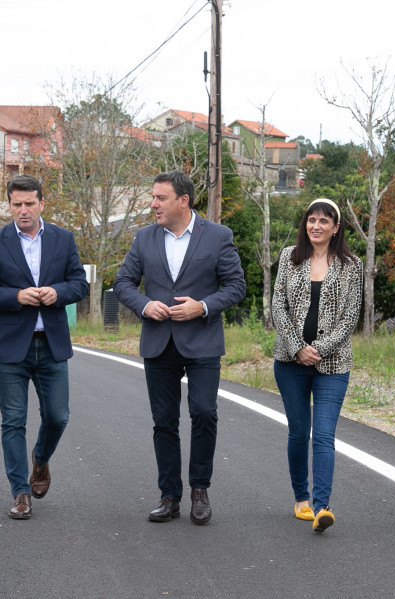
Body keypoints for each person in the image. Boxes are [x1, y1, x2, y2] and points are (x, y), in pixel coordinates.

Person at [114, 170, 246, 525]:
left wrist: (201, 306)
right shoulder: (144, 238)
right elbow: (123, 282)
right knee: (164, 422)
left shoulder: (218, 236)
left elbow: (236, 286)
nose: (153, 204)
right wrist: (144, 305)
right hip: (158, 342)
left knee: (204, 412)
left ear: (183, 201)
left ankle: (199, 490)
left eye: (160, 198)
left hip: (202, 340)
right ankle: (169, 495)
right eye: (153, 197)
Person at [0, 175, 88, 520]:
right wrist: (15, 296)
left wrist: (58, 293)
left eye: (29, 203)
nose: (23, 210)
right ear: (9, 205)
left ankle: (41, 458)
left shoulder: (63, 240)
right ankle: (20, 492)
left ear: (41, 203)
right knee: (13, 421)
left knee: (58, 415)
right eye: (16, 204)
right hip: (11, 346)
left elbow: (79, 283)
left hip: (51, 344)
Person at [271, 198, 362, 533]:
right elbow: (277, 307)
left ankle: (323, 507)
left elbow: (350, 317)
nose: (317, 226)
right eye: (312, 220)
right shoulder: (288, 258)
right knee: (299, 433)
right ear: (305, 224)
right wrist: (298, 348)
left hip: (334, 363)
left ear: (336, 227)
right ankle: (302, 499)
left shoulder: (351, 265)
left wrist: (318, 349)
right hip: (289, 361)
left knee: (324, 435)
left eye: (325, 221)